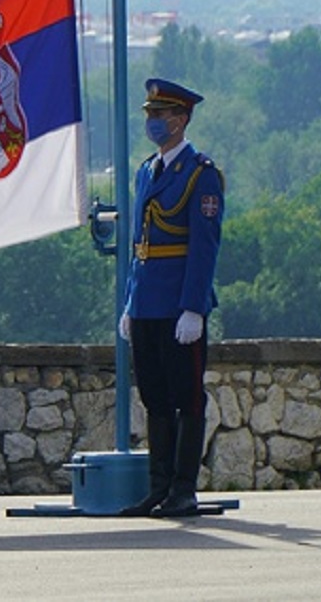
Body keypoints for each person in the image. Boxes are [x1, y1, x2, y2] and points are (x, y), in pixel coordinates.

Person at [118, 78, 224, 518]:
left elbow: (204, 246)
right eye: (149, 115)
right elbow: (138, 243)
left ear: (181, 120)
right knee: (155, 399)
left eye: (160, 116)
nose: (153, 122)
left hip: (179, 304)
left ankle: (184, 489)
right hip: (146, 302)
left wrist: (194, 308)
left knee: (187, 397)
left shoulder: (202, 174)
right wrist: (129, 302)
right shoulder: (147, 170)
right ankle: (157, 488)